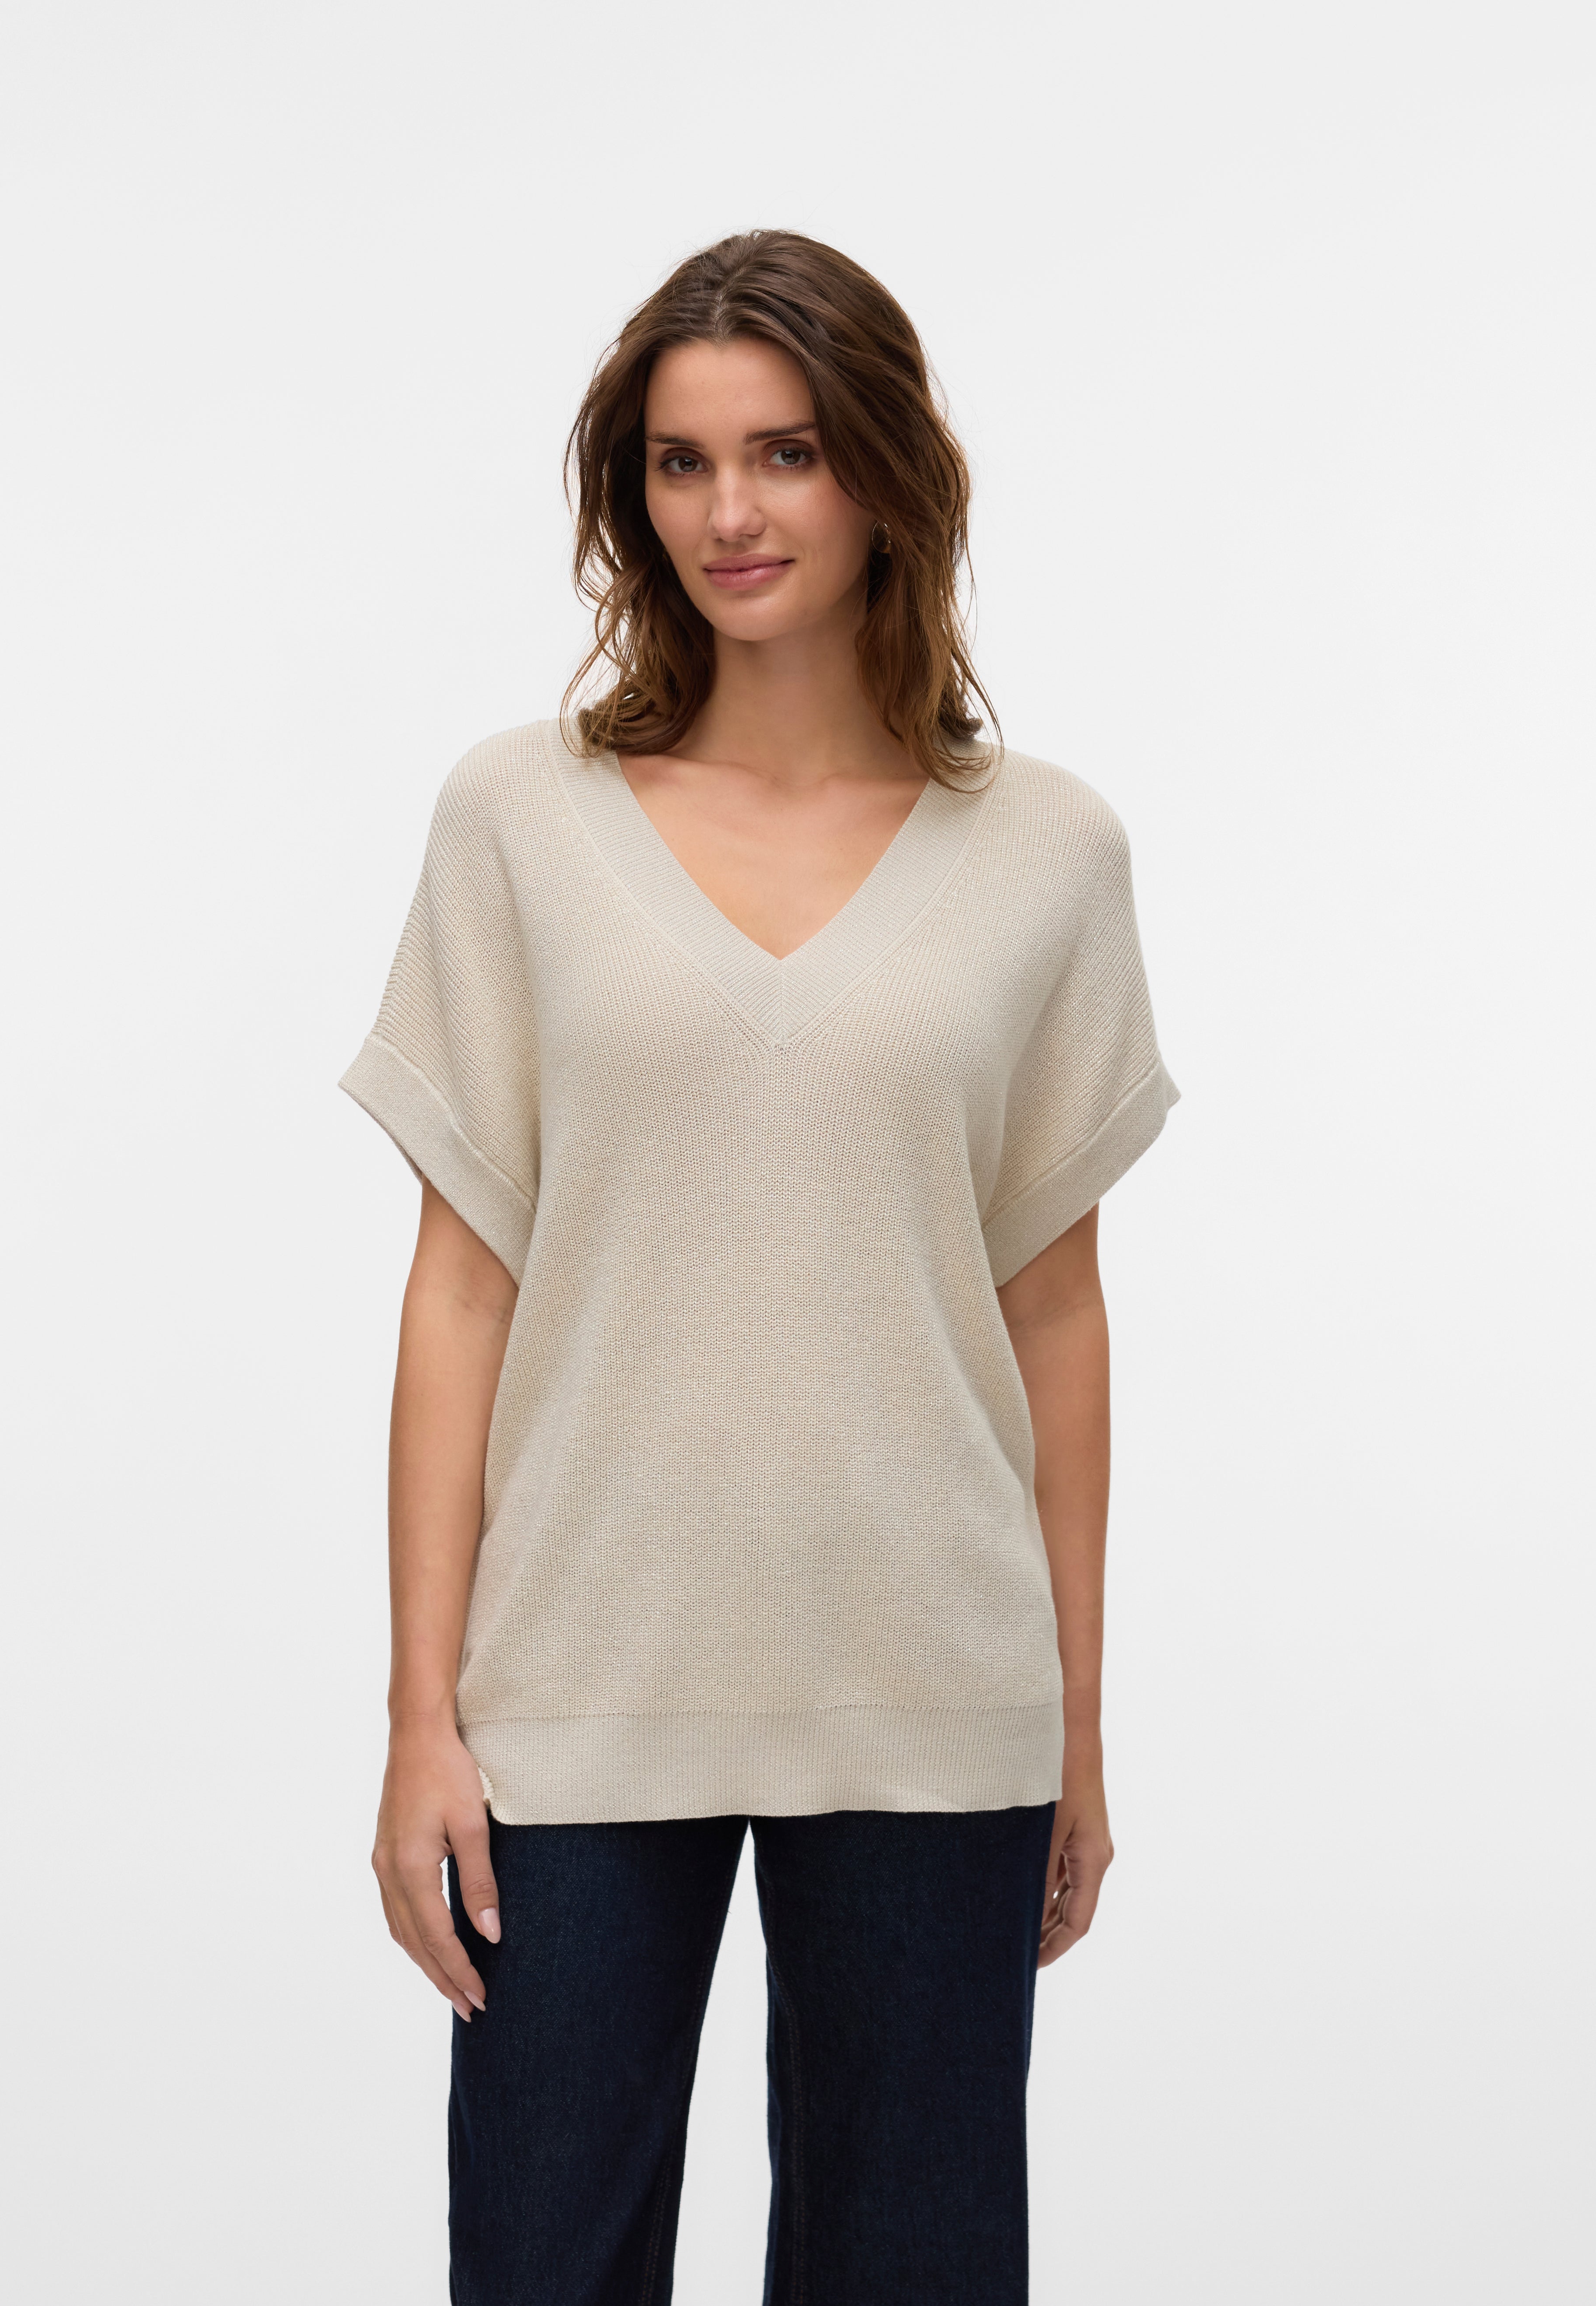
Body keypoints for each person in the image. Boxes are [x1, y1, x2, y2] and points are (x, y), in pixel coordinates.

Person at [340, 227, 1177, 2306]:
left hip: (932, 1693)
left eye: (785, 452)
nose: (729, 510)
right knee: (540, 2261)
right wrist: (421, 1716)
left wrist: (1073, 1722)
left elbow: (1050, 1312)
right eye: (680, 460)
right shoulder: (518, 820)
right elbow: (460, 1292)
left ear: (886, 471)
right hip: (574, 1692)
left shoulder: (1048, 853)